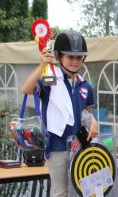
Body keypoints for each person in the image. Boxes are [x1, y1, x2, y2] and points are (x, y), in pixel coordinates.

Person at [21, 31, 98, 197]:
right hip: (58, 148)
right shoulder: (50, 79)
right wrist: (41, 66)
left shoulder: (86, 86)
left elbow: (88, 114)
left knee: (85, 191)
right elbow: (26, 89)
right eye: (70, 57)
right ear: (58, 56)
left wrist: (94, 122)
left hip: (81, 147)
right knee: (61, 193)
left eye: (79, 57)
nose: (75, 61)